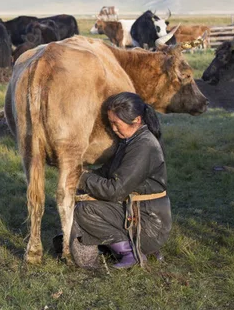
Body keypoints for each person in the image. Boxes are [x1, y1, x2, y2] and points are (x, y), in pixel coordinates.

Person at [69, 92, 171, 270]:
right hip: (139, 213)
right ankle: (135, 247)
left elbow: (115, 191)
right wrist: (79, 176)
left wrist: (82, 178)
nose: (113, 128)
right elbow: (105, 173)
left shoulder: (143, 146)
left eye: (116, 123)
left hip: (150, 225)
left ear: (137, 120)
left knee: (84, 210)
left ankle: (130, 253)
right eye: (111, 123)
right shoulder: (130, 141)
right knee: (78, 199)